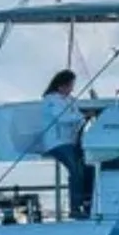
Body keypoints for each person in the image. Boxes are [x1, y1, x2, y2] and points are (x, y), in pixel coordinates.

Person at [39, 69, 94, 220]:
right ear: (61, 85)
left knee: (89, 167)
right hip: (57, 143)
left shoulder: (70, 100)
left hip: (71, 142)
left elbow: (77, 117)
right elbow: (62, 118)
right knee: (76, 170)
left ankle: (88, 202)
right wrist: (82, 116)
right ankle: (75, 208)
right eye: (70, 85)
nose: (72, 88)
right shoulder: (51, 100)